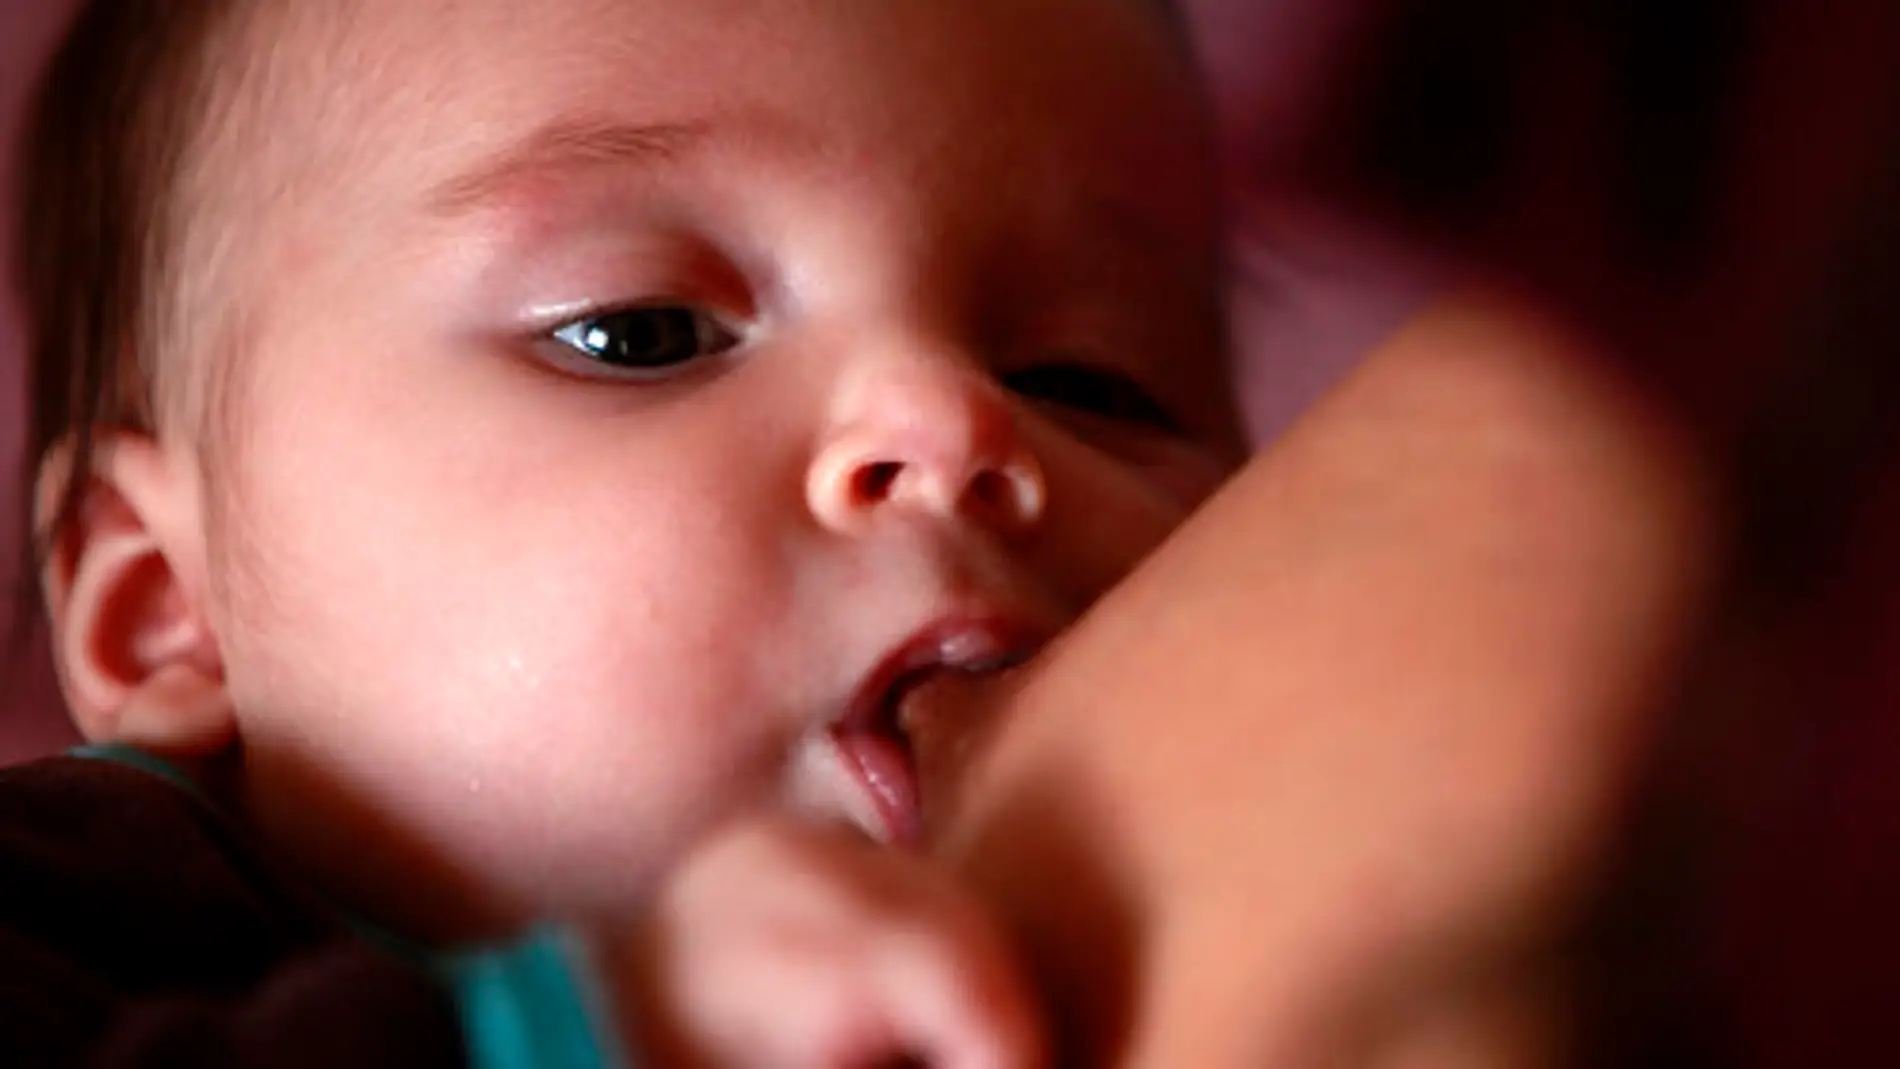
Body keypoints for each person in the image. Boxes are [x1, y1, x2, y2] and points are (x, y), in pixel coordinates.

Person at [5, 0, 1243, 1065]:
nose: (954, 425)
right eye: (639, 333)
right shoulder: (70, 915)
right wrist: (621, 1028)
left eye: (1090, 380)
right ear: (168, 605)